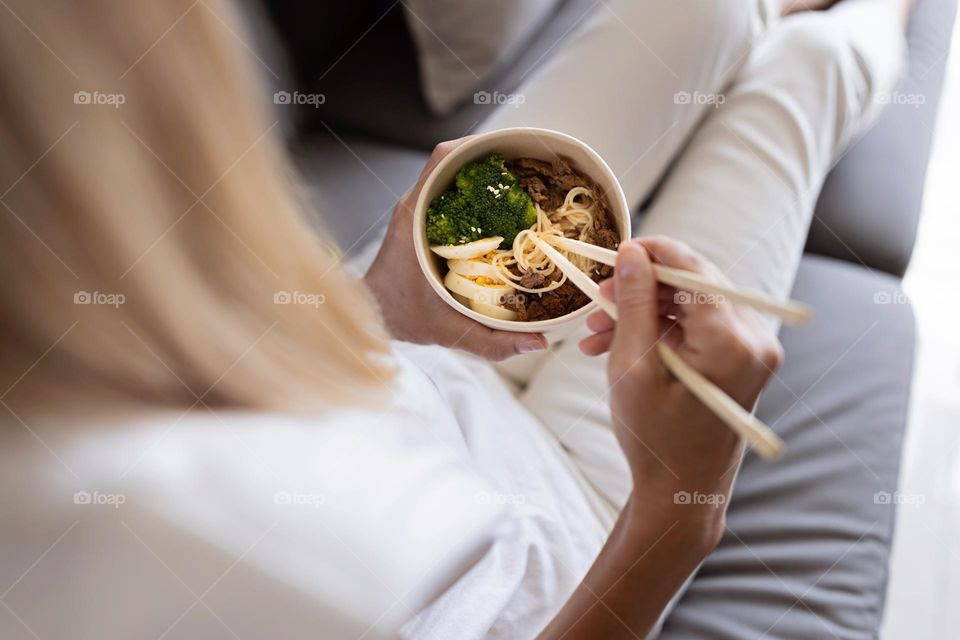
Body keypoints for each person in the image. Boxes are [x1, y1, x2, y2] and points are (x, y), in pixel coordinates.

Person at [0, 0, 909, 638]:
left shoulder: (96, 328)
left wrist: (380, 309)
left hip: (390, 353)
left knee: (703, 10)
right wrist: (677, 512)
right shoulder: (129, 561)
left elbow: (245, 368)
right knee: (813, 70)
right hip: (560, 539)